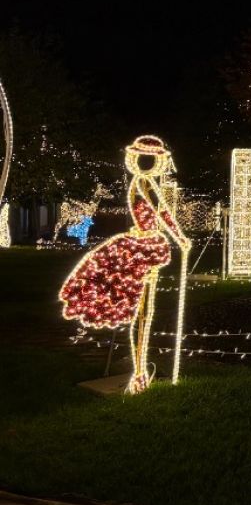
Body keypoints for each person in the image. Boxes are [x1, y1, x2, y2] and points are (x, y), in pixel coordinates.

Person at [59, 136, 191, 393]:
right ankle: (139, 372)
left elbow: (162, 213)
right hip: (145, 246)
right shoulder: (145, 183)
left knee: (143, 312)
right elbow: (163, 213)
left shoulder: (140, 182)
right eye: (147, 157)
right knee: (143, 312)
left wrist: (178, 237)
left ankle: (140, 370)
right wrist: (180, 238)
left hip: (144, 244)